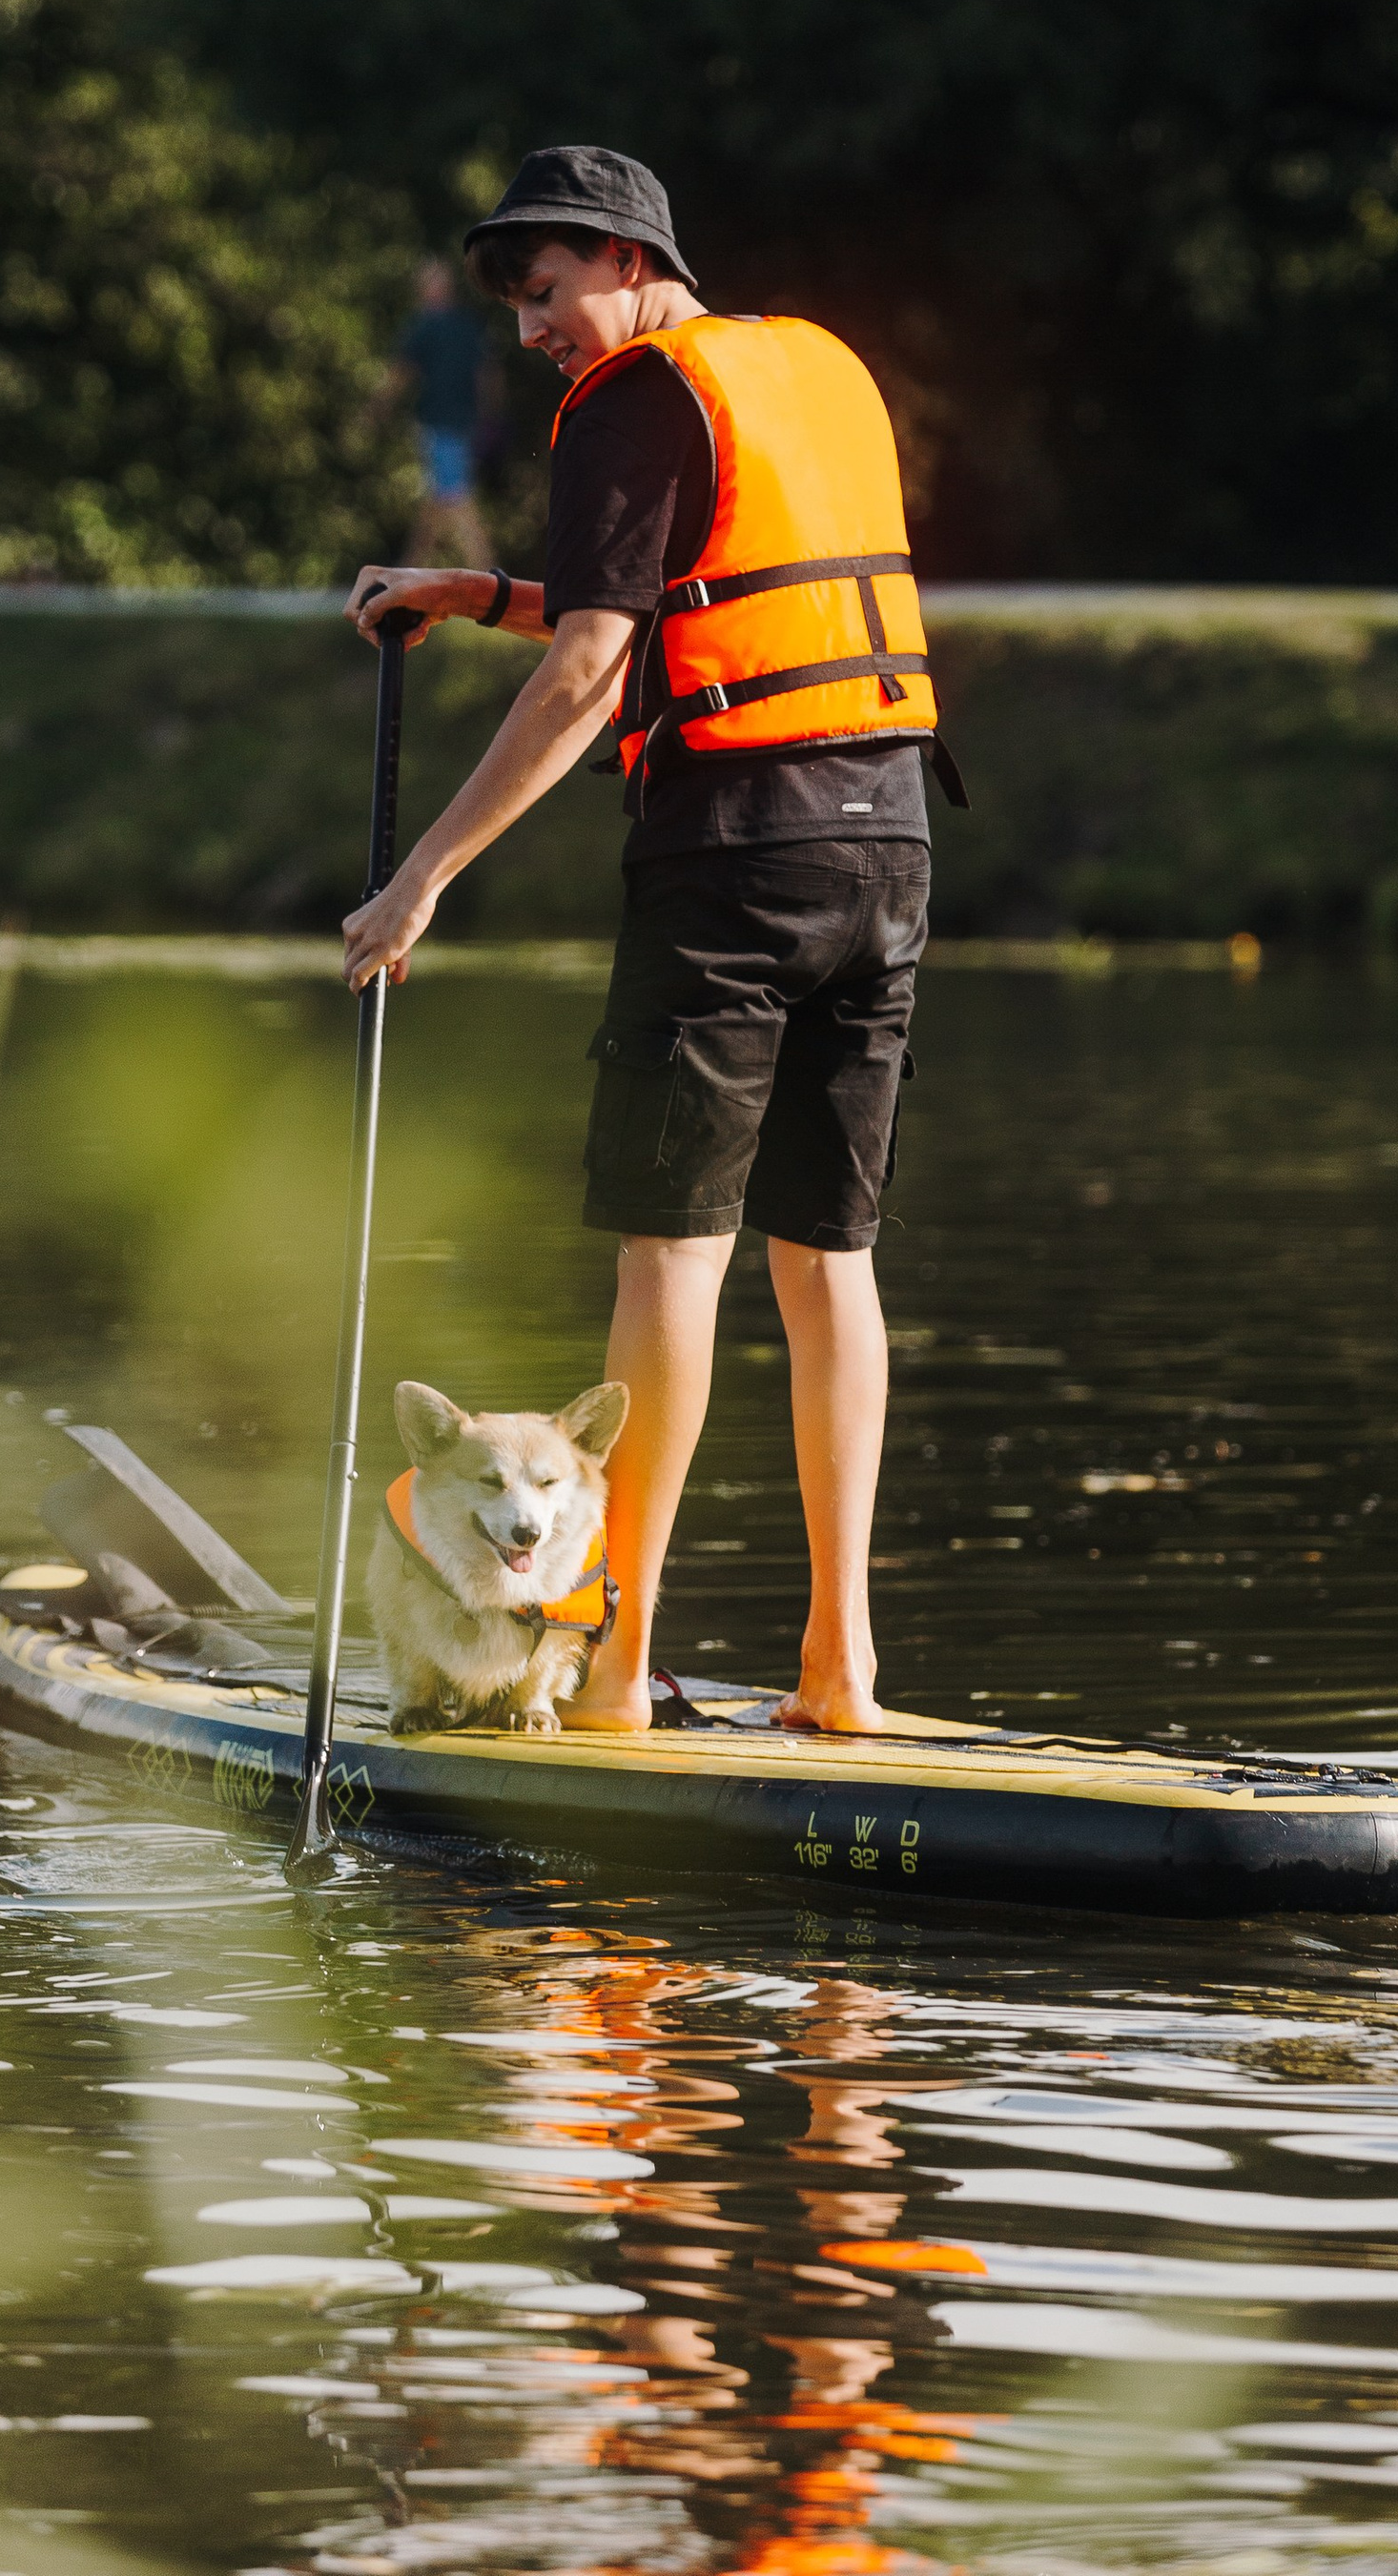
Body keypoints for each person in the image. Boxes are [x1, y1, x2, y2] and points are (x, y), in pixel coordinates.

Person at [340, 146, 964, 1737]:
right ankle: (844, 1675)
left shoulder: (633, 393)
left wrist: (423, 876)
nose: (536, 330)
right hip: (889, 842)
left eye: (545, 293)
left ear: (624, 262)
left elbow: (600, 667)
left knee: (669, 1255)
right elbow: (717, 596)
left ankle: (610, 1672)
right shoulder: (816, 367)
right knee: (831, 1261)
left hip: (738, 856)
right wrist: (480, 590)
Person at [390, 257, 493, 568]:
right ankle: (410, 569)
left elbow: (400, 373)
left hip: (442, 421)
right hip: (455, 420)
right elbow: (486, 373)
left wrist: (375, 408)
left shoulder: (427, 325)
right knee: (437, 499)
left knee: (456, 496)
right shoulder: (463, 325)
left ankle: (491, 574)